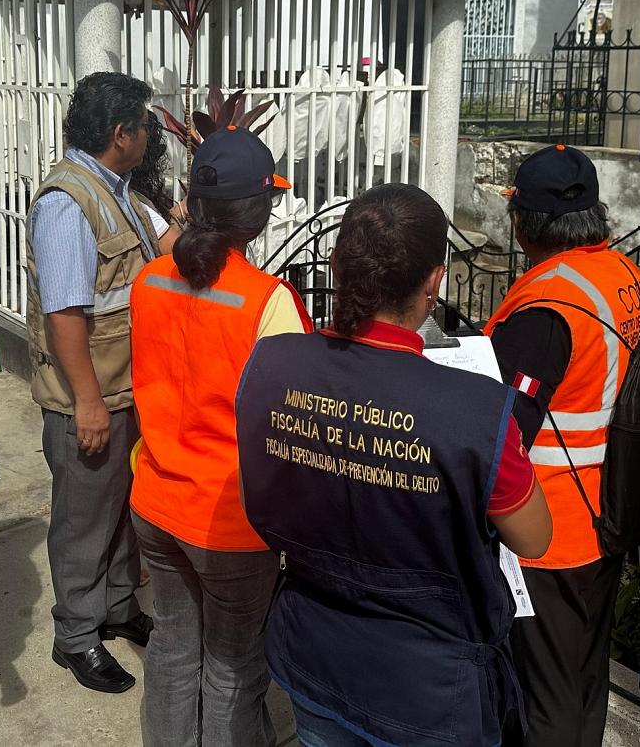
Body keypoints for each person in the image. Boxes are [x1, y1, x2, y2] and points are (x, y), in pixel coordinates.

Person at [236, 183, 552, 747]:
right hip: (429, 688)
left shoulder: (273, 362)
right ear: (435, 282)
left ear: (338, 267)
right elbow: (533, 537)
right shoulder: (474, 412)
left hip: (315, 652)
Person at [129, 126, 311, 746]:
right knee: (234, 665)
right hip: (229, 522)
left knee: (173, 646)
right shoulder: (269, 302)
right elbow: (291, 427)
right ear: (258, 214)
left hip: (155, 503)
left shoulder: (148, 280)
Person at [484, 144, 640, 747]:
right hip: (611, 513)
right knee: (586, 673)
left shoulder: (549, 304)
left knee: (546, 694)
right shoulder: (628, 279)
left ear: (521, 222)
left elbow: (502, 425)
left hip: (549, 530)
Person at [26, 71, 178, 693]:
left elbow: (162, 257)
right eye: (146, 126)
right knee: (84, 522)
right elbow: (65, 315)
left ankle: (117, 608)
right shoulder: (69, 201)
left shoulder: (116, 190)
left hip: (126, 389)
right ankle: (77, 636)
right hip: (90, 400)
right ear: (122, 134)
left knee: (121, 513)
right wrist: (87, 401)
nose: (150, 137)